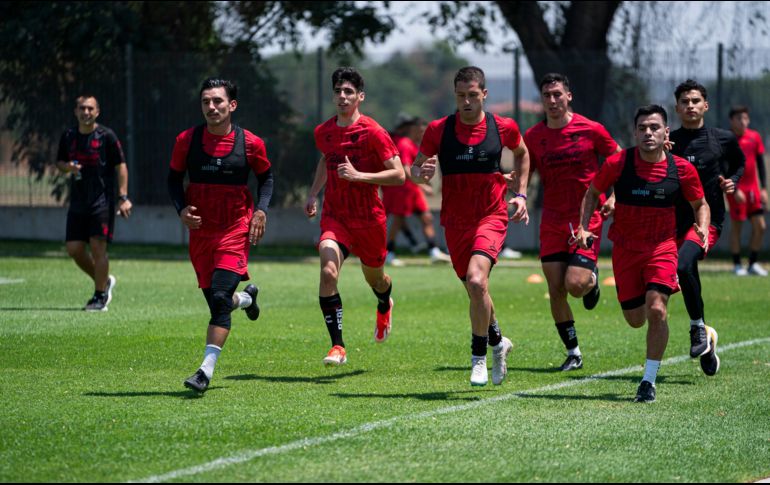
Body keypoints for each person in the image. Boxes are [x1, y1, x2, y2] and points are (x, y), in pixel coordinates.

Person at [577, 105, 709, 403]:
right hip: (625, 249)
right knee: (636, 319)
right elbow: (592, 192)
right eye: (642, 128)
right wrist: (584, 227)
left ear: (666, 132)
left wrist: (701, 228)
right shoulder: (618, 163)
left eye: (654, 127)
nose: (648, 133)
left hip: (662, 247)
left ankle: (648, 381)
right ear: (635, 133)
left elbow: (700, 204)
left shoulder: (681, 169)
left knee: (657, 309)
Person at [411, 66, 530, 386]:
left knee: (477, 281)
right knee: (476, 290)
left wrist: (520, 194)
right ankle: (499, 342)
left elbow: (523, 154)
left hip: (491, 216)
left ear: (484, 95)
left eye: (473, 95)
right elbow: (414, 169)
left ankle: (479, 359)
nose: (466, 102)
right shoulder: (438, 129)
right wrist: (421, 174)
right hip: (455, 221)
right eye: (461, 95)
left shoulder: (502, 126)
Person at [167, 78, 273, 393]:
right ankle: (247, 298)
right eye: (206, 102)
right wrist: (181, 210)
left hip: (235, 228)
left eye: (218, 101)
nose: (211, 107)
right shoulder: (186, 140)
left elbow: (266, 178)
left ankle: (204, 371)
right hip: (201, 231)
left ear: (232, 105)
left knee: (218, 299)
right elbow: (173, 179)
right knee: (221, 303)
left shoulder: (251, 143)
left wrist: (261, 211)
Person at [304, 67, 405, 366]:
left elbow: (399, 175)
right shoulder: (323, 132)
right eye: (338, 91)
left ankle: (384, 303)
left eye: (349, 92)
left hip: (369, 219)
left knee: (376, 279)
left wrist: (360, 175)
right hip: (335, 217)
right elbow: (326, 160)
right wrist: (313, 193)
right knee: (328, 272)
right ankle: (338, 346)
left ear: (360, 96)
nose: (342, 96)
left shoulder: (374, 132)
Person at [524, 73, 622, 371]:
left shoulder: (591, 129)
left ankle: (591, 281)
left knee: (575, 285)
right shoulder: (533, 136)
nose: (552, 100)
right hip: (552, 220)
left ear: (569, 96)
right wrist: (517, 194)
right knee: (556, 288)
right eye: (547, 96)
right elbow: (525, 171)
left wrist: (614, 196)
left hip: (586, 218)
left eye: (557, 94)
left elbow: (620, 160)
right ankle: (573, 353)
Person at [669, 79, 744, 375]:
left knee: (683, 263)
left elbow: (739, 163)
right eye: (684, 102)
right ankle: (706, 339)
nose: (690, 106)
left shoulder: (722, 139)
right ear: (677, 108)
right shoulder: (668, 141)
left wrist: (731, 181)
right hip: (673, 222)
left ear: (705, 105)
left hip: (708, 220)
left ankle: (697, 328)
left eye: (695, 101)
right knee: (680, 274)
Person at [56, 94, 132, 312]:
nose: (86, 112)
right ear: (76, 111)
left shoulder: (107, 136)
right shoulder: (69, 136)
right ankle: (104, 281)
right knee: (74, 249)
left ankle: (99, 297)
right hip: (78, 201)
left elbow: (121, 166)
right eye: (82, 108)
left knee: (98, 248)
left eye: (90, 108)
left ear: (97, 112)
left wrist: (123, 197)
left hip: (102, 201)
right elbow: (60, 162)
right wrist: (68, 168)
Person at [382, 115, 450, 266]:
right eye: (421, 131)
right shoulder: (404, 143)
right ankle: (389, 253)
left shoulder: (409, 143)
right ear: (412, 129)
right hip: (404, 190)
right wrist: (422, 185)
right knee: (398, 221)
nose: (423, 134)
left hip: (412, 190)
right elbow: (405, 167)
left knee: (426, 217)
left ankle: (433, 251)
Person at [727, 105, 767, 276]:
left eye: (745, 118)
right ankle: (737, 265)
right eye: (739, 118)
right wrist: (734, 189)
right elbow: (723, 166)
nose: (743, 122)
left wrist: (763, 188)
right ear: (732, 121)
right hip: (736, 190)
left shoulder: (754, 137)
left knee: (761, 226)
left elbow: (760, 163)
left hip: (753, 190)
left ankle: (752, 264)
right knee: (737, 227)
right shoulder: (727, 139)